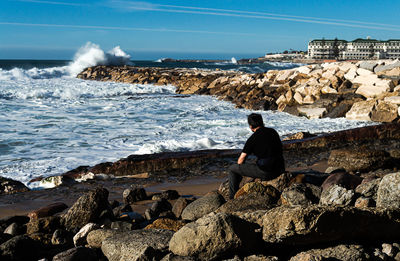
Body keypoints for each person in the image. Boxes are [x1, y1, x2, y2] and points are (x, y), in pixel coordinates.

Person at [229, 113, 285, 199]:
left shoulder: (253, 138)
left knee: (232, 169)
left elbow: (241, 160)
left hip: (267, 172)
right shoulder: (273, 131)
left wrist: (241, 171)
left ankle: (232, 197)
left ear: (251, 126)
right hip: (280, 168)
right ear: (262, 122)